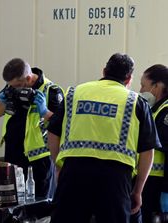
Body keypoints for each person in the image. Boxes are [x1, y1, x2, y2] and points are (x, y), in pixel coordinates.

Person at [47, 53, 160, 223]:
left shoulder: (74, 93)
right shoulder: (136, 102)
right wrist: (137, 191)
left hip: (74, 172)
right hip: (115, 178)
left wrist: (59, 166)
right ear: (129, 78)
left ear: (104, 71)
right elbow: (147, 152)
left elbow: (53, 133)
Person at [0, 58, 63, 200]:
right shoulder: (12, 86)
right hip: (13, 156)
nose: (14, 89)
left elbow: (61, 125)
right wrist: (4, 99)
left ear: (29, 78)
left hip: (38, 161)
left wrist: (45, 111)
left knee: (39, 207)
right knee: (12, 203)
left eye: (17, 86)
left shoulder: (51, 91)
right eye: (10, 86)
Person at [136, 64, 168, 222]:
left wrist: (166, 190)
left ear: (157, 86)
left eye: (143, 85)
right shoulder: (156, 109)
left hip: (158, 183)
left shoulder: (166, 112)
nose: (141, 90)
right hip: (149, 181)